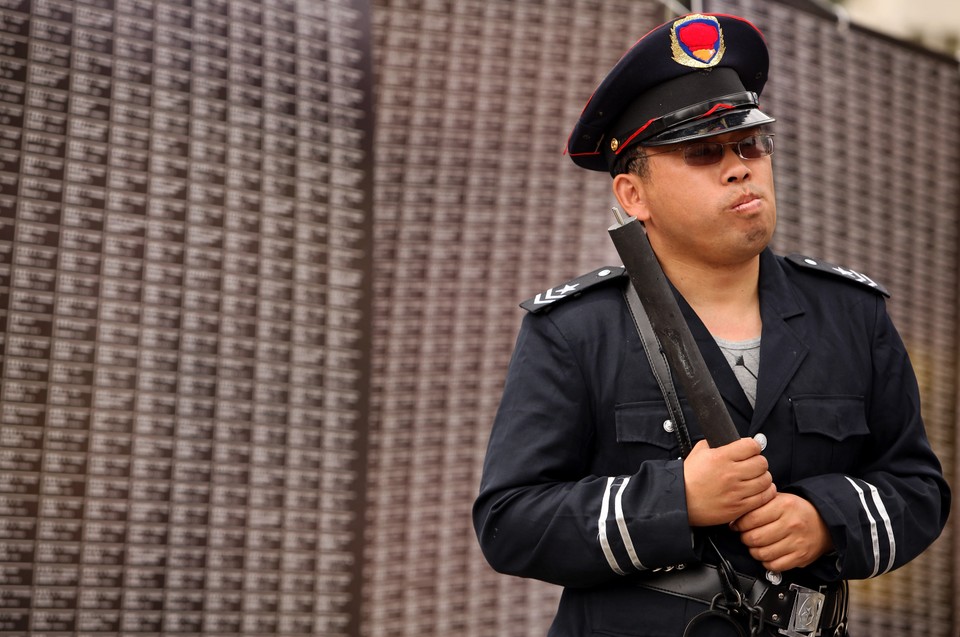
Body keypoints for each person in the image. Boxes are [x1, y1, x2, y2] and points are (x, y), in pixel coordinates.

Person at [472, 13, 950, 637]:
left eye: (751, 145)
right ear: (633, 195)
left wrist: (823, 518)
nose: (739, 167)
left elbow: (917, 489)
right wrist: (676, 499)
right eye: (702, 154)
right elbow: (510, 522)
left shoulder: (851, 314)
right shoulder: (575, 329)